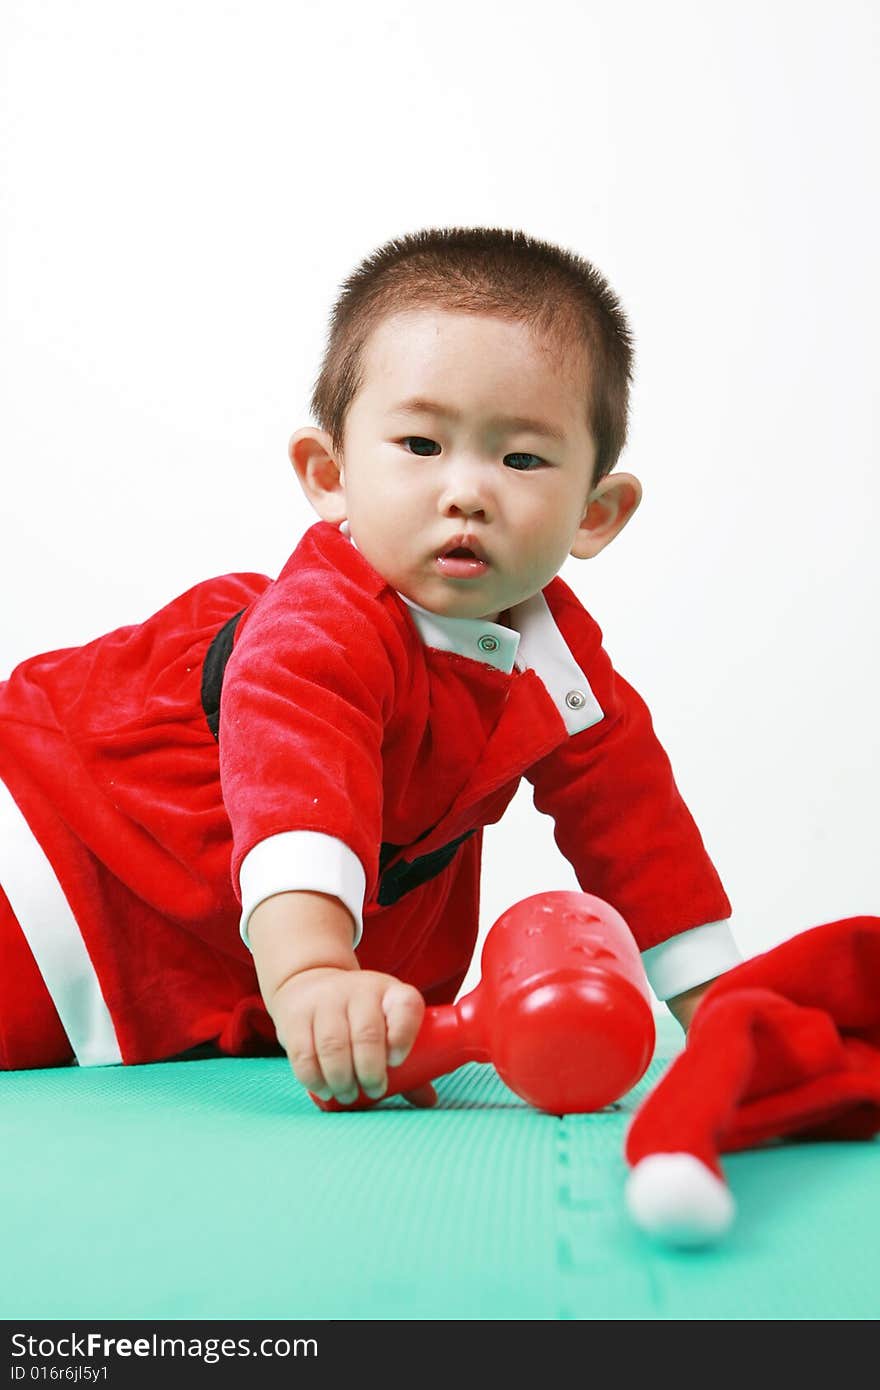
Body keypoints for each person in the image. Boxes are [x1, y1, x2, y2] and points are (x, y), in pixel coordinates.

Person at [0, 226, 741, 1103]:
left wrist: (726, 1016)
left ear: (596, 512)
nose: (465, 490)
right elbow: (295, 789)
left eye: (522, 458)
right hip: (72, 853)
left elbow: (638, 834)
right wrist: (313, 974)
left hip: (233, 947)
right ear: (330, 473)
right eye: (422, 447)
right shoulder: (320, 625)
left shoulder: (564, 668)